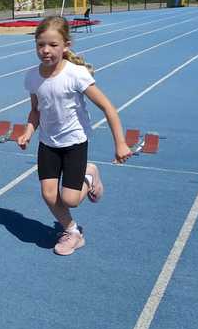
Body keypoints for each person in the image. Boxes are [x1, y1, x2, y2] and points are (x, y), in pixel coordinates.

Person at [17, 16, 132, 256]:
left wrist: (120, 143)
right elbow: (35, 110)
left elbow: (108, 108)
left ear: (66, 45)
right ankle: (73, 232)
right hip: (48, 144)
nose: (45, 50)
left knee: (70, 200)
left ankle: (90, 174)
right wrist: (28, 131)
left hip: (74, 144)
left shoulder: (76, 74)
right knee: (48, 194)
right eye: (40, 45)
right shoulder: (32, 76)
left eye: (53, 45)